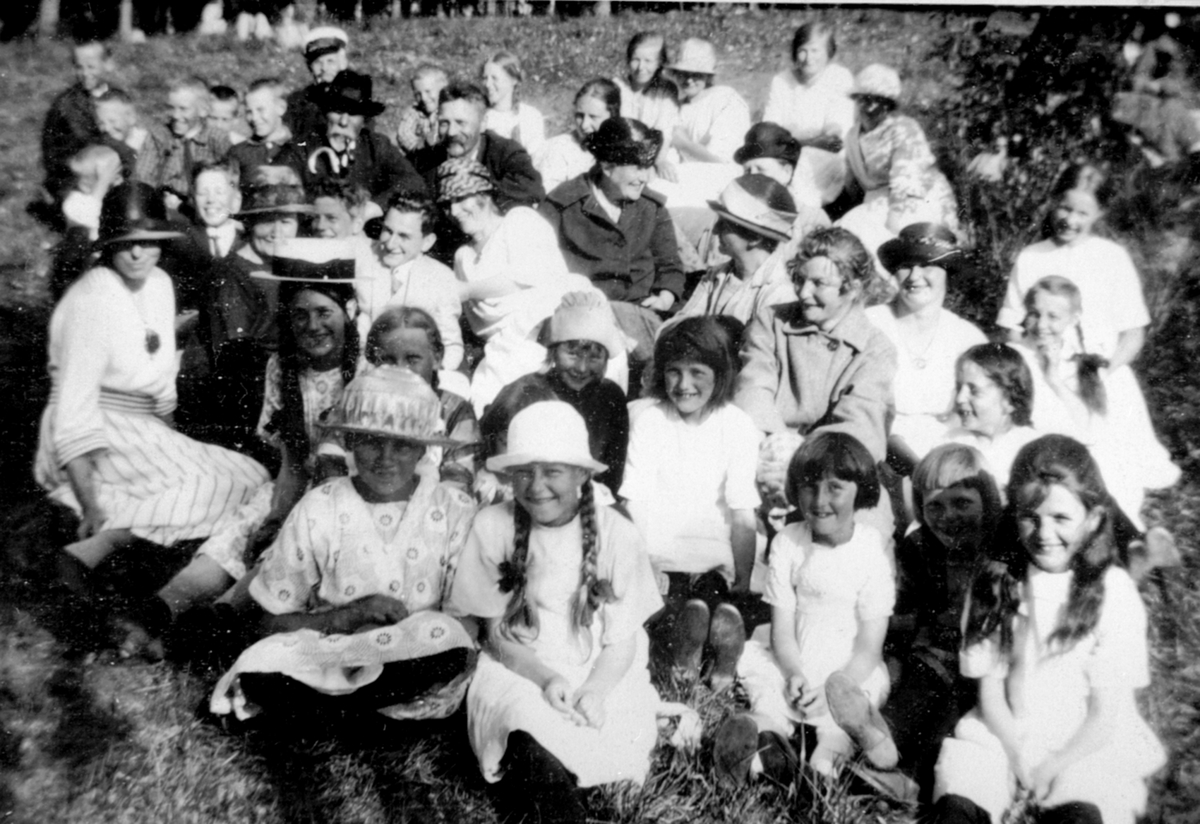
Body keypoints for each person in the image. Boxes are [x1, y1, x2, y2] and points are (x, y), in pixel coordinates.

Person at [110, 237, 365, 659]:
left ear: (349, 312)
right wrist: (276, 511)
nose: (312, 326)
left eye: (325, 313)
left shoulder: (365, 375)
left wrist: (289, 519)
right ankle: (162, 609)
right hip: (297, 483)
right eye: (299, 314)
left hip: (346, 499)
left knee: (284, 545)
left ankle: (212, 622)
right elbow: (290, 462)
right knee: (242, 530)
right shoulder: (283, 367)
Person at [34, 182, 268, 612]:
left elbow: (160, 385)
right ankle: (101, 543)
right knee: (217, 483)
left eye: (148, 243)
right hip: (94, 430)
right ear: (108, 246)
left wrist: (175, 446)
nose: (139, 254)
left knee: (251, 474)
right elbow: (73, 409)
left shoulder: (158, 284)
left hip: (142, 426)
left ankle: (123, 538)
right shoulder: (92, 299)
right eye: (126, 245)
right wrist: (88, 503)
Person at [210, 365, 478, 723]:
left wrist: (403, 633)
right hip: (329, 651)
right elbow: (270, 623)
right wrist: (348, 616)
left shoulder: (454, 509)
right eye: (371, 441)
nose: (385, 458)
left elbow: (466, 625)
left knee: (448, 641)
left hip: (411, 653)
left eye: (401, 445)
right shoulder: (320, 506)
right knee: (264, 662)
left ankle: (325, 713)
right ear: (350, 442)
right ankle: (366, 713)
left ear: (423, 451)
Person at [446, 401, 664, 824]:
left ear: (583, 474)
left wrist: (596, 690)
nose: (536, 485)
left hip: (602, 667)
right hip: (522, 664)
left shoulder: (617, 534)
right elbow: (495, 633)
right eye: (524, 471)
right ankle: (556, 799)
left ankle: (562, 778)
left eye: (553, 471)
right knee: (522, 722)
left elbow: (622, 639)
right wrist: (545, 678)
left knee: (612, 730)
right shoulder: (494, 525)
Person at [931, 435, 1165, 824]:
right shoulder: (995, 582)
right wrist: (1018, 754)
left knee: (1087, 803)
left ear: (1091, 519)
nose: (1043, 533)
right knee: (962, 792)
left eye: (1061, 518)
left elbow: (1106, 714)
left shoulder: (1114, 594)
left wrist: (1052, 765)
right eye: (1030, 516)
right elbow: (990, 692)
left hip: (1084, 740)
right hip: (1004, 727)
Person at [714, 432, 898, 786]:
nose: (819, 500)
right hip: (794, 655)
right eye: (809, 487)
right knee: (771, 697)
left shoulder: (870, 550)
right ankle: (763, 749)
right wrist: (796, 673)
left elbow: (870, 647)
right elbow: (782, 630)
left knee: (838, 726)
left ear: (860, 490)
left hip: (849, 671)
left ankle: (823, 768)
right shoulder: (788, 543)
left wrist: (833, 689)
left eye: (834, 488)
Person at [623, 318, 762, 690]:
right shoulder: (650, 420)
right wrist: (644, 561)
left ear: (720, 374)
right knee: (671, 606)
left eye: (697, 372)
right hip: (662, 552)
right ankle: (688, 651)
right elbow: (636, 501)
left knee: (715, 599)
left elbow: (742, 510)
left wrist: (745, 578)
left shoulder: (736, 425)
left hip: (714, 554)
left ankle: (720, 658)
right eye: (674, 372)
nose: (684, 385)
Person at [1018, 276, 1179, 535]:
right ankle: (1126, 543)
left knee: (1104, 463)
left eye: (1053, 316)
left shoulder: (1088, 366)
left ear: (1075, 317)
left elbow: (1092, 433)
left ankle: (1128, 540)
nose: (1042, 325)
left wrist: (1054, 380)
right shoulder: (1017, 360)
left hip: (1081, 459)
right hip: (1034, 459)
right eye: (1035, 314)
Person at [886, 444, 1001, 800]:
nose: (948, 516)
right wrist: (892, 657)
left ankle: (910, 779)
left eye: (962, 503)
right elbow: (905, 609)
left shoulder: (1001, 546)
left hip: (983, 666)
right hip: (933, 652)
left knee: (948, 715)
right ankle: (873, 743)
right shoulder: (919, 547)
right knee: (911, 695)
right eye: (934, 505)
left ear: (987, 500)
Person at [735, 226, 896, 463]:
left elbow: (859, 427)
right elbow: (753, 389)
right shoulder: (772, 321)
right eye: (800, 280)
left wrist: (802, 459)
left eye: (819, 283)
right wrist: (779, 445)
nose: (803, 293)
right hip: (766, 447)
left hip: (828, 465)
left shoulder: (874, 349)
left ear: (853, 289)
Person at [538, 117, 685, 367]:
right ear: (607, 166)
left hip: (640, 316)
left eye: (648, 167)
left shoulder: (651, 208)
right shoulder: (562, 206)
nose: (645, 178)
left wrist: (666, 297)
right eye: (637, 168)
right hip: (582, 320)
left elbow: (670, 266)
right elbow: (537, 269)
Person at [437, 158, 577, 414]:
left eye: (459, 199)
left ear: (484, 194)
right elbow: (479, 324)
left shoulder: (518, 220)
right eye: (446, 205)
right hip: (502, 347)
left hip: (548, 330)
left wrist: (466, 290)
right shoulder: (462, 256)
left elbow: (532, 276)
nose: (453, 211)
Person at [195, 182, 312, 458]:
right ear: (250, 224)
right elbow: (234, 359)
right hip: (246, 403)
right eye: (266, 221)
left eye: (285, 221)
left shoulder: (289, 267)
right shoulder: (231, 275)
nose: (277, 232)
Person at [996, 164, 1149, 371]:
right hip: (1041, 371)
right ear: (1054, 201)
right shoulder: (1031, 257)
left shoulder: (1113, 258)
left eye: (1082, 213)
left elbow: (1133, 333)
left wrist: (1104, 372)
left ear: (1099, 213)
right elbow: (1011, 327)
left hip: (1101, 375)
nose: (1070, 220)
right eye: (1065, 208)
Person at [866, 224, 987, 470]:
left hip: (947, 459)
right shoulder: (870, 324)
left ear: (948, 272)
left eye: (927, 265)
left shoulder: (968, 338)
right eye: (906, 266)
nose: (914, 276)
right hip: (876, 450)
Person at [837, 64, 960, 270]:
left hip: (917, 197)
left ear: (889, 105)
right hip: (876, 200)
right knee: (848, 228)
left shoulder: (903, 128)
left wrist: (893, 221)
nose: (870, 107)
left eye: (880, 101)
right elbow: (853, 180)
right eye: (864, 99)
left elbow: (906, 179)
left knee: (895, 240)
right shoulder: (852, 136)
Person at [364, 307, 479, 489]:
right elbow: (331, 464)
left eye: (412, 359)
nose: (401, 370)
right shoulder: (357, 404)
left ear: (436, 357)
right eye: (388, 360)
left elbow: (458, 482)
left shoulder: (455, 411)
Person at [672, 174, 800, 327]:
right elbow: (682, 323)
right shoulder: (715, 276)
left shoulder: (777, 293)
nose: (715, 231)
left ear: (754, 238)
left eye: (725, 225)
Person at [358, 191, 464, 377]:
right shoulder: (364, 254)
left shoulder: (441, 277)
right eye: (387, 231)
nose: (391, 244)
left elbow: (451, 346)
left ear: (427, 242)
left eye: (404, 236)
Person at [415, 81, 545, 218]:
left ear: (483, 123)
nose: (451, 132)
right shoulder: (424, 161)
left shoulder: (505, 153)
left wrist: (476, 194)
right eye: (444, 123)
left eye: (461, 123)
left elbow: (532, 190)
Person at [762, 21, 856, 209]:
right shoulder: (781, 80)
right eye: (803, 50)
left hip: (824, 158)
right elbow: (769, 130)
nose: (808, 58)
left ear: (829, 52)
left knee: (802, 188)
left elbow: (834, 136)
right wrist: (803, 139)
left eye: (815, 51)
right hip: (787, 154)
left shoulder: (839, 78)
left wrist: (792, 138)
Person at [304, 70, 426, 207]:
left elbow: (413, 181)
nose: (343, 122)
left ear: (364, 121)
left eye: (353, 113)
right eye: (338, 111)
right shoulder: (305, 146)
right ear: (326, 112)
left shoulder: (376, 146)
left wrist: (373, 207)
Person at [942, 343, 1043, 494]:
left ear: (1009, 400)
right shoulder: (949, 442)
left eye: (974, 391)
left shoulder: (1032, 450)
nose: (960, 398)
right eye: (959, 387)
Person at [135, 76, 232, 210]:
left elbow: (230, 179)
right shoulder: (158, 136)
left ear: (203, 110)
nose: (175, 115)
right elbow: (143, 180)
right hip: (163, 206)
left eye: (183, 109)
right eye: (171, 108)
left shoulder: (216, 139)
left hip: (205, 208)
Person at [42, 41, 112, 203]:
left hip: (108, 170)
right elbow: (54, 155)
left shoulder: (116, 96)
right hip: (74, 177)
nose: (85, 73)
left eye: (91, 67)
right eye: (79, 67)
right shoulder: (67, 105)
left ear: (107, 64)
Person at [667, 38, 751, 166]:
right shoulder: (677, 107)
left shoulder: (725, 99)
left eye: (696, 74)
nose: (689, 80)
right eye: (684, 73)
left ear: (707, 75)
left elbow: (722, 160)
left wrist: (684, 144)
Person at [533, 78, 621, 194]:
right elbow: (549, 199)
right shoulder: (560, 149)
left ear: (612, 117)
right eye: (579, 115)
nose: (584, 125)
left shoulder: (623, 148)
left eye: (593, 117)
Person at [612, 31, 680, 178]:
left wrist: (659, 161)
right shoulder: (617, 86)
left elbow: (665, 130)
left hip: (657, 151)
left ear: (659, 63)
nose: (641, 67)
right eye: (635, 60)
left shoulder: (665, 90)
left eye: (648, 61)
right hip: (621, 151)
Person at [228, 77, 307, 187]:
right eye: (249, 112)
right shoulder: (238, 153)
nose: (254, 118)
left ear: (281, 108)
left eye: (261, 110)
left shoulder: (301, 148)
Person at [285, 26, 351, 142]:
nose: (324, 68)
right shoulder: (297, 102)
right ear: (309, 67)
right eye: (317, 63)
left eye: (331, 61)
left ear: (343, 64)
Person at [481, 51, 546, 156]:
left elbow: (537, 159)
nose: (488, 84)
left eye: (494, 78)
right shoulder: (480, 116)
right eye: (485, 78)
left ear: (513, 80)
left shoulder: (530, 116)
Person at [62, 144, 124, 241]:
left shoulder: (117, 199)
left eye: (95, 175)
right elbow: (89, 219)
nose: (85, 181)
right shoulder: (75, 201)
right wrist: (102, 185)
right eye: (83, 176)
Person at [396, 64, 448, 156]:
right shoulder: (414, 113)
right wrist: (423, 143)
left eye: (428, 91)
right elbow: (403, 135)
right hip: (420, 158)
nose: (423, 98)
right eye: (418, 94)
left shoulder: (448, 112)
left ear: (443, 90)